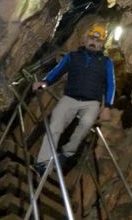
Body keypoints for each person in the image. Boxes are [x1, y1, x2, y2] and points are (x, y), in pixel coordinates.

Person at [32, 24, 115, 172]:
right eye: (91, 38)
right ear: (85, 38)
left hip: (92, 102)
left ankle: (66, 153)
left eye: (97, 41)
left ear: (102, 44)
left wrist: (107, 106)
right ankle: (43, 162)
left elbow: (111, 84)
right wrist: (44, 81)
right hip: (70, 97)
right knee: (54, 126)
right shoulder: (73, 56)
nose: (93, 42)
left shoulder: (106, 62)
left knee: (86, 123)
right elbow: (57, 71)